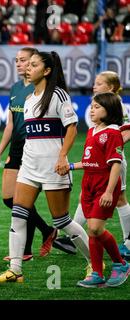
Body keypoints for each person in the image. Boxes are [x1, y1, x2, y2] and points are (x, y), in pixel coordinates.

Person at [0, 51, 91, 283]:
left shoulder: (58, 94)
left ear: (46, 70)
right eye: (29, 65)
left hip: (53, 168)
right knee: (17, 214)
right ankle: (15, 271)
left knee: (62, 221)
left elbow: (72, 128)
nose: (28, 68)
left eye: (34, 65)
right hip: (29, 167)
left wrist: (63, 157)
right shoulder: (28, 99)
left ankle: (94, 263)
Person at [0, 48, 57, 261]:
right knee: (9, 198)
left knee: (21, 201)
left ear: (34, 63)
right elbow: (10, 124)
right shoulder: (16, 88)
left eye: (24, 60)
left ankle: (25, 251)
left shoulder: (43, 89)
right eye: (16, 60)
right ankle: (46, 230)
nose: (19, 64)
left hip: (35, 146)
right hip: (17, 146)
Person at [54, 71, 130, 257]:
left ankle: (127, 241)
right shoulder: (99, 110)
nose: (94, 86)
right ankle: (75, 234)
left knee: (119, 198)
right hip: (96, 164)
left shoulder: (117, 105)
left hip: (111, 162)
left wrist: (110, 148)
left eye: (99, 83)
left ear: (111, 88)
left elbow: (126, 132)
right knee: (86, 196)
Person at [75, 92, 130, 288]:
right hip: (88, 183)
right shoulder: (92, 131)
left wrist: (108, 191)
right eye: (91, 106)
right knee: (92, 231)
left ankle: (121, 263)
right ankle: (97, 273)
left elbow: (115, 164)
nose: (92, 109)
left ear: (110, 111)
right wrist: (71, 166)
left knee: (95, 228)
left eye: (97, 107)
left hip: (103, 184)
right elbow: (90, 161)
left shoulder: (113, 133)